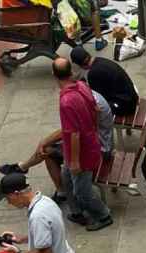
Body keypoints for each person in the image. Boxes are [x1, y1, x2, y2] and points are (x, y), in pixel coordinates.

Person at [0, 89, 115, 202]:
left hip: (98, 151)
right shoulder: (90, 97)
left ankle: (24, 168)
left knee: (47, 151)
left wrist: (44, 141)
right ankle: (23, 167)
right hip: (96, 144)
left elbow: (70, 132)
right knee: (49, 150)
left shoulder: (87, 104)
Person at [53, 57, 113, 231]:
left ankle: (103, 215)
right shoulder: (82, 87)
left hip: (81, 153)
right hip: (90, 143)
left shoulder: (66, 102)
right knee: (66, 177)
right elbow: (96, 110)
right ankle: (76, 211)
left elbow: (74, 135)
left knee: (82, 190)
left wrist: (74, 162)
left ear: (54, 75)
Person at [69, 46, 139, 119]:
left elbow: (98, 99)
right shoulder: (100, 60)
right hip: (131, 96)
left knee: (88, 110)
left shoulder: (93, 74)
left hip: (125, 106)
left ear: (80, 65)